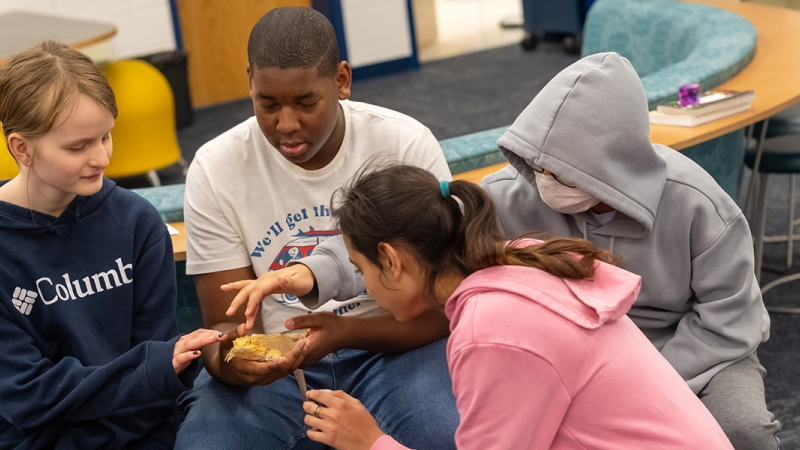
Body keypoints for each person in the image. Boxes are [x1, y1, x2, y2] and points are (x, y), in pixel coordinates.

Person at [232, 52, 780, 449]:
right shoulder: (509, 207)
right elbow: (411, 230)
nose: (544, 180)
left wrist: (371, 443)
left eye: (561, 170)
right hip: (601, 349)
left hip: (694, 354)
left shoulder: (699, 206)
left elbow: (730, 327)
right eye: (537, 165)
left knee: (746, 430)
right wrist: (309, 273)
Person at [175, 7, 458, 449]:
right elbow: (220, 330)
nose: (286, 124)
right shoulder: (215, 168)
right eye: (267, 103)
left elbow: (445, 306)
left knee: (448, 433)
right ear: (249, 79)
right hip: (280, 363)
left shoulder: (404, 143)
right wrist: (235, 364)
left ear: (342, 80)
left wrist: (345, 334)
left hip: (395, 348)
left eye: (306, 102)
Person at [297, 164, 734, 449]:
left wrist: (370, 442)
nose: (367, 287)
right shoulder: (517, 262)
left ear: (392, 261)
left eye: (361, 268)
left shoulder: (491, 328)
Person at [0, 41, 225, 449]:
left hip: (139, 437)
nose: (101, 158)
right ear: (22, 148)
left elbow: (156, 379)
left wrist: (150, 376)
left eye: (105, 136)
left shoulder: (137, 222)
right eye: (78, 146)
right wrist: (147, 373)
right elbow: (24, 395)